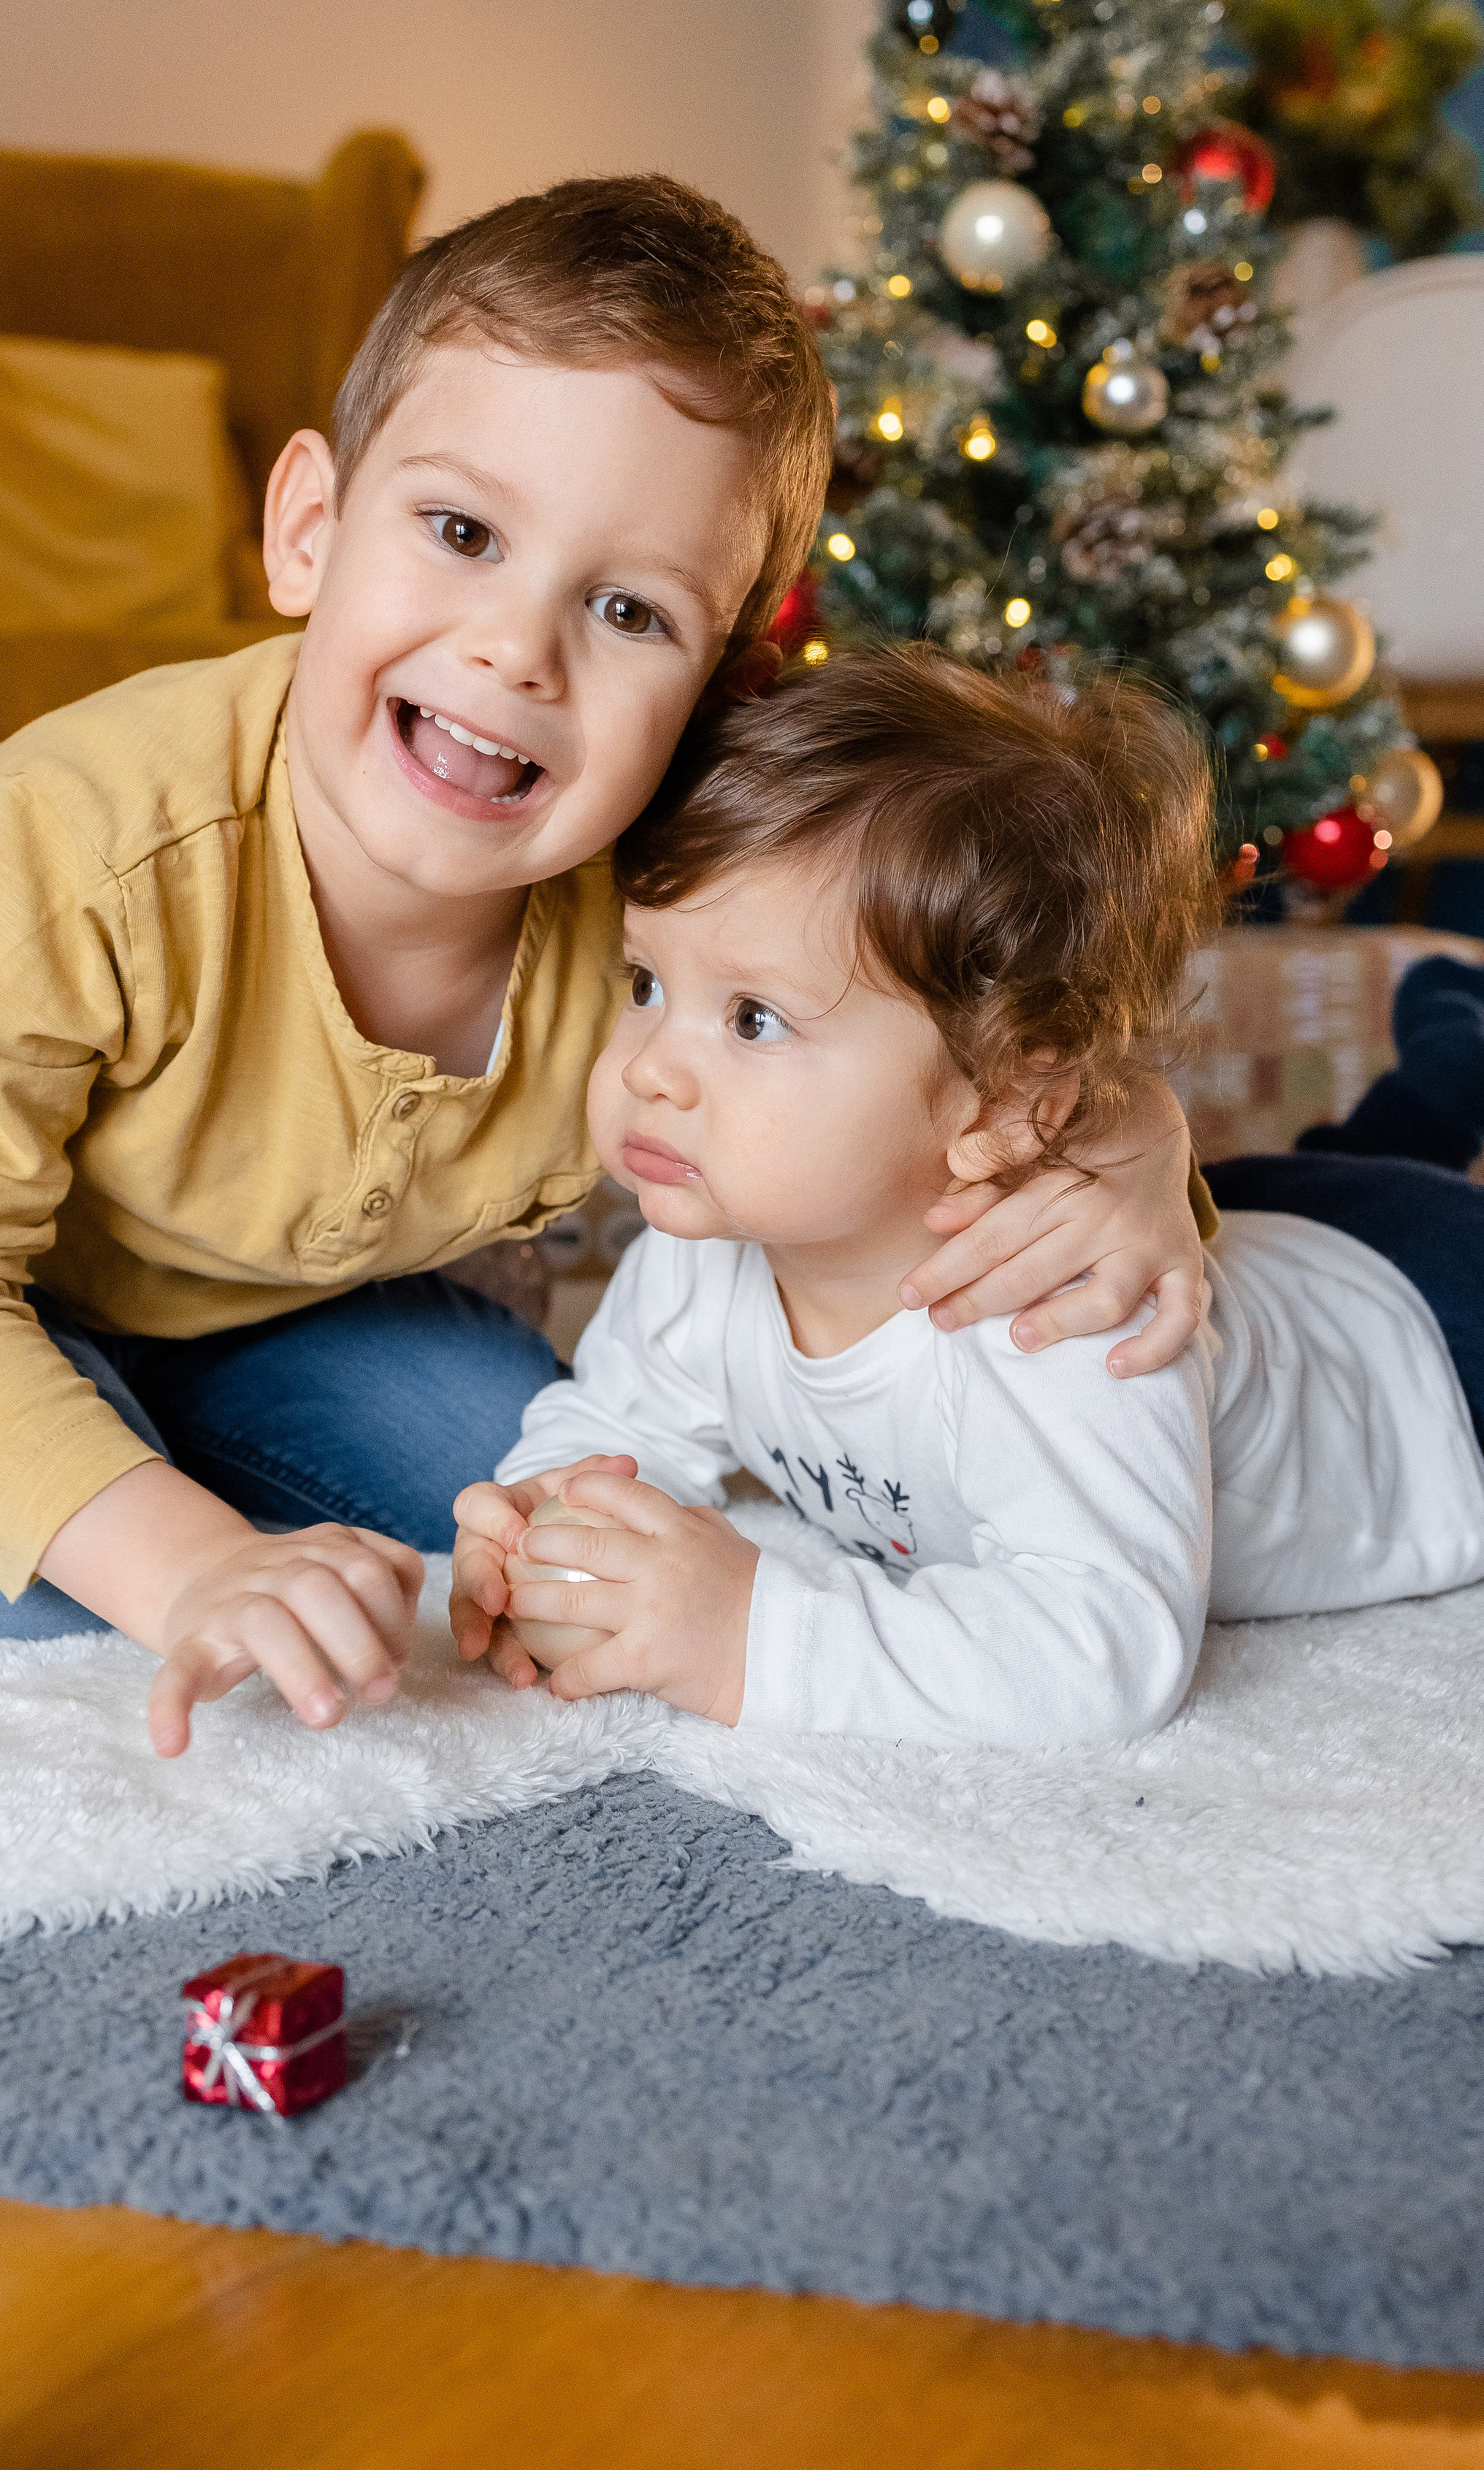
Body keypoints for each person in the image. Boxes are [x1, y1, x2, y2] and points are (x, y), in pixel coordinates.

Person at [0, 182, 1209, 1757]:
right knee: (38, 1564)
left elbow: (930, 999)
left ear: (713, 691)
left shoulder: (658, 908)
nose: (517, 650)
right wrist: (184, 1563)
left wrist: (1128, 1150)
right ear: (308, 529)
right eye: (459, 532)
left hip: (224, 1288)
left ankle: (124, 1427)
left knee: (504, 1479)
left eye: (625, 610)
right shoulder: (76, 841)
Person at [451, 649, 1484, 1746]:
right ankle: (1446, 1061)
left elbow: (1103, 1655)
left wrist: (749, 1635)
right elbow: (620, 1419)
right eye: (646, 983)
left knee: (1390, 1181)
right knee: (1342, 1157)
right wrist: (538, 1515)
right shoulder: (714, 1238)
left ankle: (1455, 1055)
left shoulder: (1057, 1323)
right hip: (1270, 1228)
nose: (651, 1066)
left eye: (753, 1018)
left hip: (1433, 1334)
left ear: (1004, 1099)